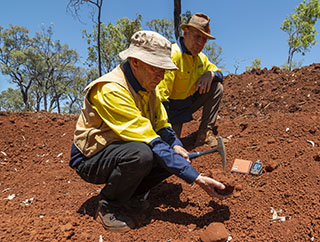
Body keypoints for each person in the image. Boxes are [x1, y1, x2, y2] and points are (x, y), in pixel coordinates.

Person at [69, 30, 229, 233]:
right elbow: (148, 137)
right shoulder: (110, 89)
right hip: (90, 158)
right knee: (143, 153)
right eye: (157, 68)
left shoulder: (148, 87)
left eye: (164, 69)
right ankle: (109, 206)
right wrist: (195, 178)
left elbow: (162, 125)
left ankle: (133, 195)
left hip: (121, 147)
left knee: (172, 155)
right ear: (135, 62)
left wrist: (177, 146)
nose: (162, 76)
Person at [157, 13, 224, 147]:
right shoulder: (173, 55)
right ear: (186, 32)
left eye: (204, 39)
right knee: (170, 146)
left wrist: (210, 74)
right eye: (197, 36)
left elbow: (219, 74)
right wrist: (164, 128)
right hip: (169, 111)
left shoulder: (201, 58)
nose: (200, 43)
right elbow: (160, 98)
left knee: (217, 87)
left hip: (187, 104)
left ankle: (205, 133)